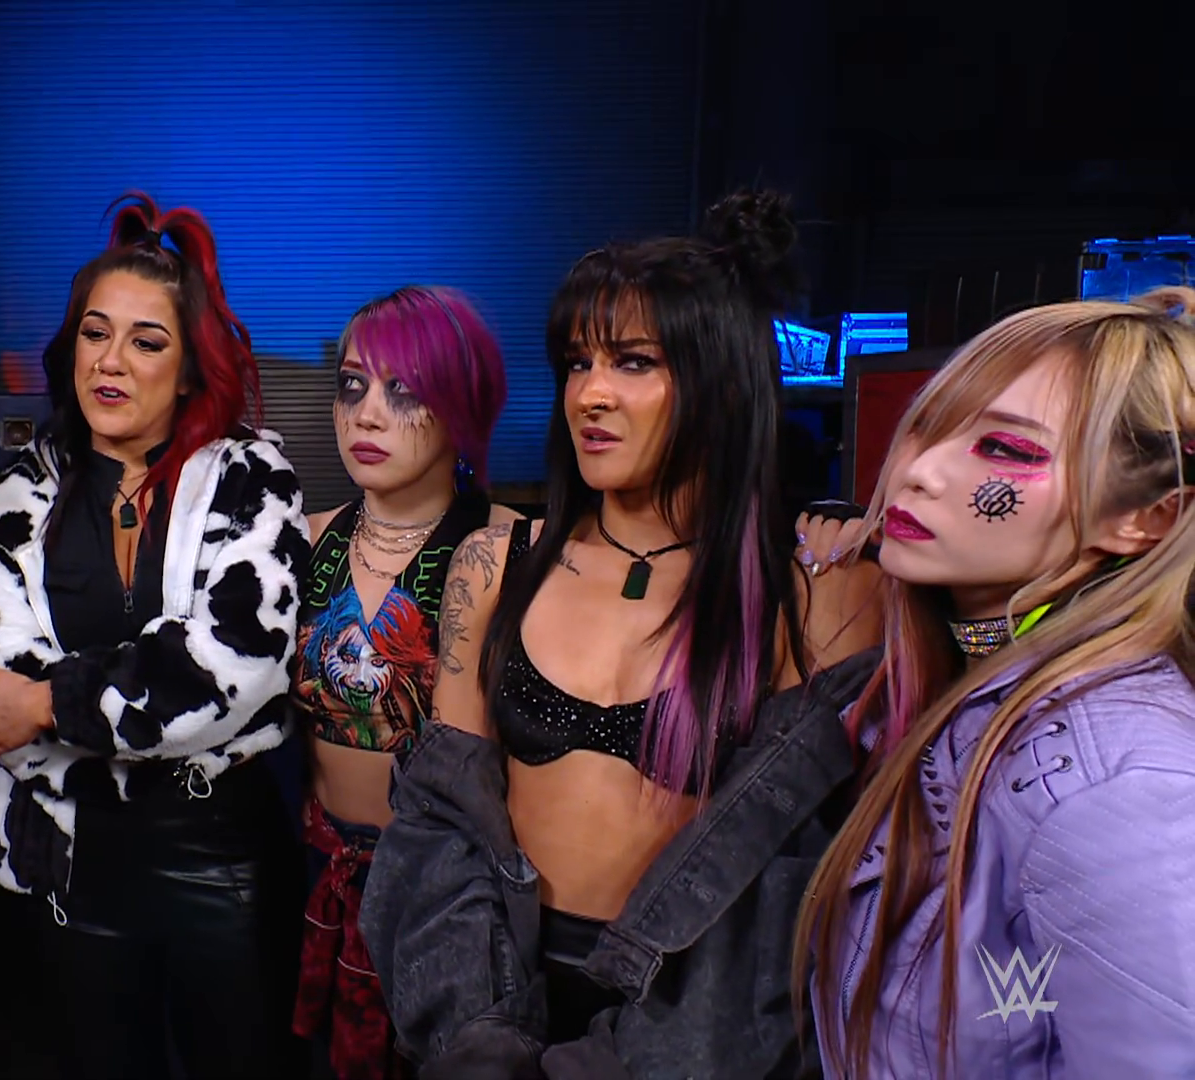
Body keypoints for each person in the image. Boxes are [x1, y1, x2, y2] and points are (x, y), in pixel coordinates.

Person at [360, 191, 883, 1078]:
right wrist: (478, 1037)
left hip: (691, 1024)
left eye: (633, 362)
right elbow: (444, 821)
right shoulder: (495, 566)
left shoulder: (810, 593)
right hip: (495, 987)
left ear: (722, 381)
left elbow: (793, 886)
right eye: (577, 363)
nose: (590, 394)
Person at [0, 193, 309, 1079]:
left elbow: (230, 668)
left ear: (188, 370)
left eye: (146, 343)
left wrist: (51, 703)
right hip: (63, 853)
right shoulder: (7, 500)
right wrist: (70, 703)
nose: (110, 361)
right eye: (94, 334)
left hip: (216, 856)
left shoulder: (253, 478)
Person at [795, 288, 1195, 1078]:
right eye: (928, 426)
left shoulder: (1116, 785)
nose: (915, 471)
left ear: (1144, 518)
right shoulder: (957, 682)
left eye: (1005, 450)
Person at [290, 285, 513, 1079]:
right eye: (352, 386)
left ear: (463, 405)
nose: (367, 415)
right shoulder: (303, 539)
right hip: (317, 866)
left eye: (405, 390)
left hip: (443, 887)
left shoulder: (510, 548)